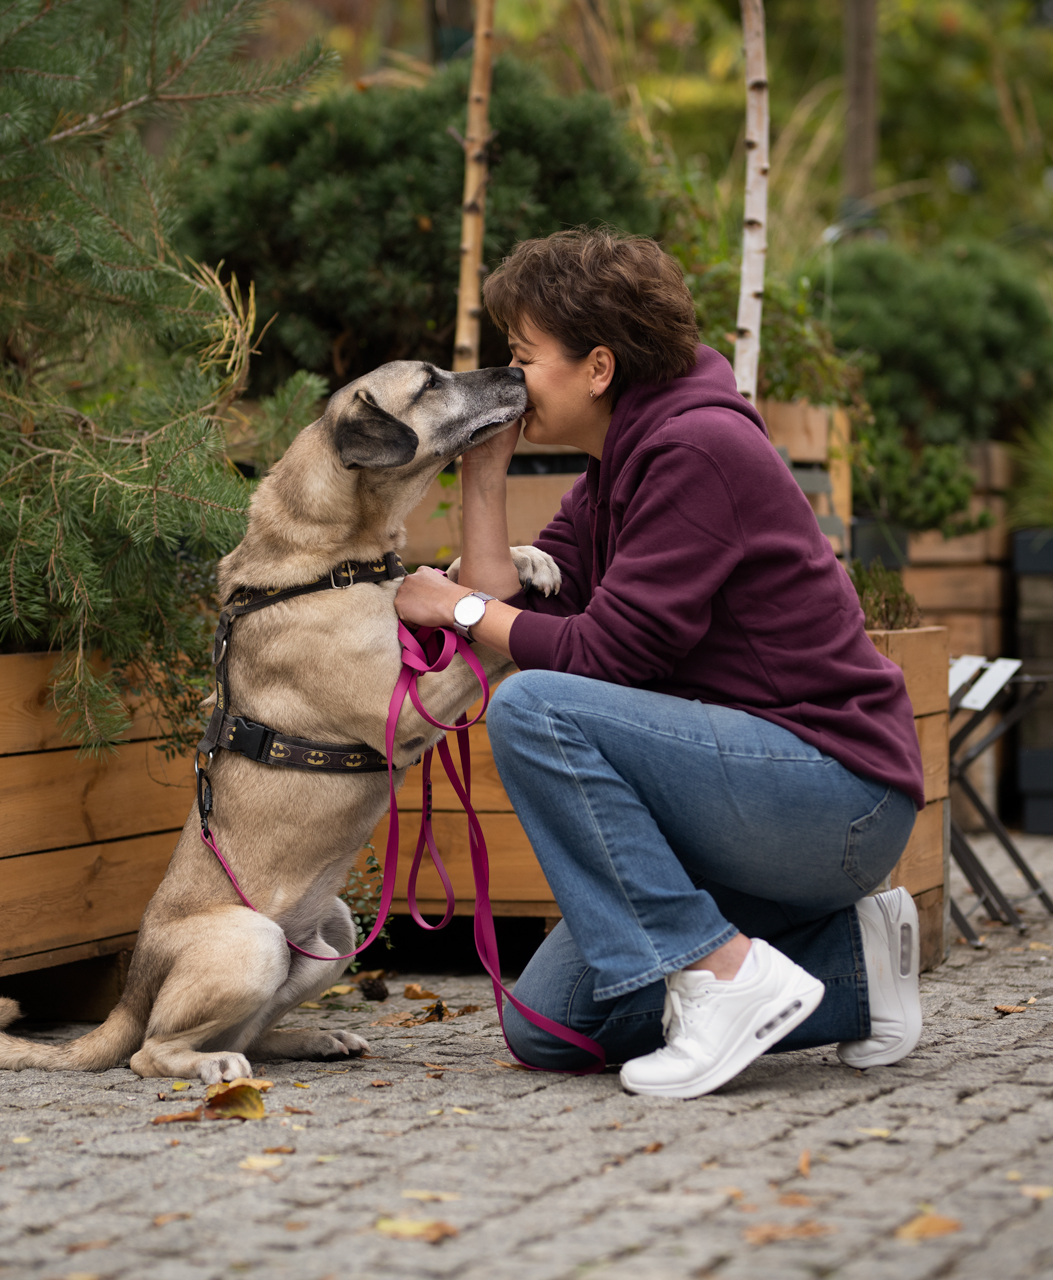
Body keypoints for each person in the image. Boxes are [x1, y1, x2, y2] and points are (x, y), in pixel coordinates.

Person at [392, 228, 925, 1099]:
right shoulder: (620, 463)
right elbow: (521, 615)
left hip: (835, 794)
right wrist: (483, 480)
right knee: (553, 1028)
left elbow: (597, 657)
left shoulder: (696, 451)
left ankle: (722, 976)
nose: (512, 376)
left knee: (534, 710)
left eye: (525, 356)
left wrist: (450, 606)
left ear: (598, 366)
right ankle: (857, 964)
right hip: (745, 797)